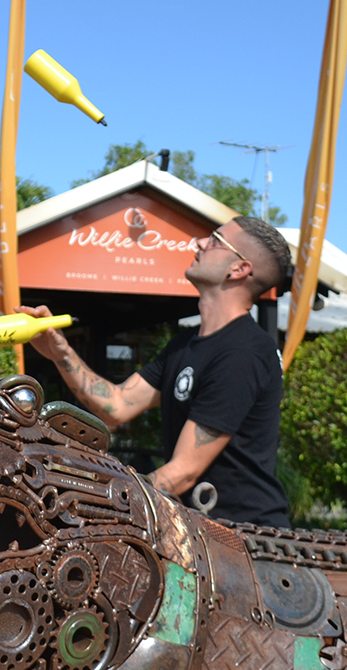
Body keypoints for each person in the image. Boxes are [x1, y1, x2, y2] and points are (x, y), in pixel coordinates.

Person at [19, 215, 292, 526]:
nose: (200, 242)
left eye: (216, 240)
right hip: (199, 532)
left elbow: (182, 473)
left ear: (239, 269)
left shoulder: (244, 352)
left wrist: (100, 500)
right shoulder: (185, 345)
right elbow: (117, 406)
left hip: (245, 540)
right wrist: (61, 353)